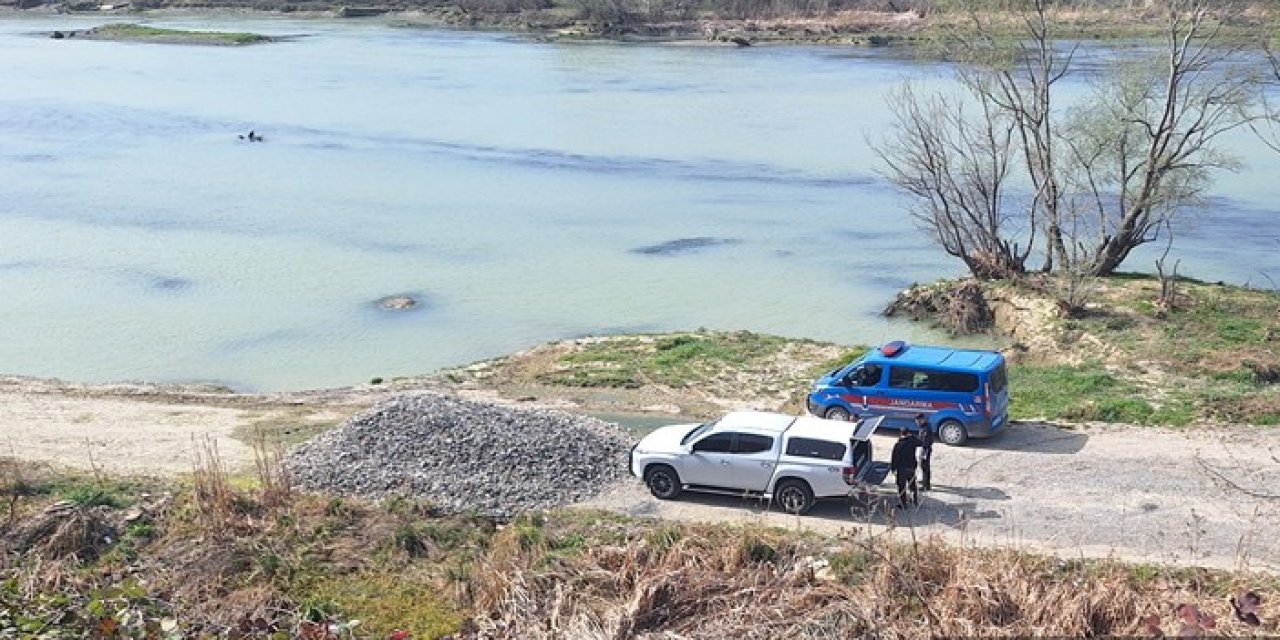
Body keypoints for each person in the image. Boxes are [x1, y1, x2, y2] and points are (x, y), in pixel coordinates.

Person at [890, 427, 921, 508]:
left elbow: (894, 458)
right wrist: (912, 436)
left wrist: (893, 469)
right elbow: (921, 442)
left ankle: (903, 504)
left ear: (900, 434)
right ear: (908, 433)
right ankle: (914, 502)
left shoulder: (898, 445)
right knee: (912, 485)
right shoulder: (912, 441)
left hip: (901, 469)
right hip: (911, 467)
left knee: (901, 487)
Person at [915, 413, 933, 491]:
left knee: (925, 467)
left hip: (925, 449)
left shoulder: (926, 428)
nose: (917, 422)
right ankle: (924, 481)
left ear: (921, 419)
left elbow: (926, 441)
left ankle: (926, 486)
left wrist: (922, 450)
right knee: (923, 466)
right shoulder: (923, 426)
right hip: (923, 448)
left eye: (918, 421)